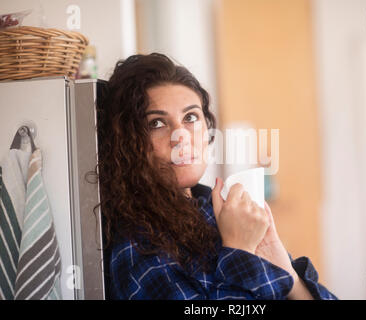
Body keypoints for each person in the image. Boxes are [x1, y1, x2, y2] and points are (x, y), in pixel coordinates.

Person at [95, 52, 337, 300]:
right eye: (156, 123)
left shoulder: (218, 212)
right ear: (127, 143)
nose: (181, 136)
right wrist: (239, 251)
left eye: (190, 117)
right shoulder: (139, 250)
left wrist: (284, 268)